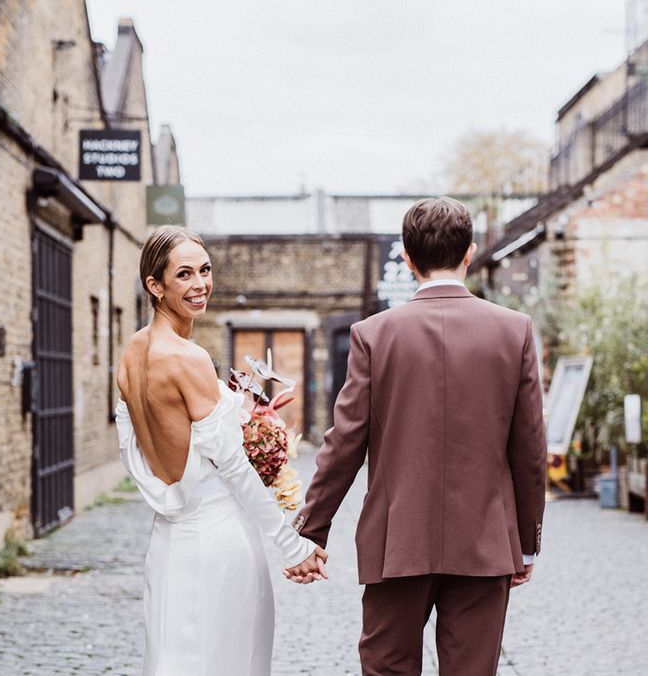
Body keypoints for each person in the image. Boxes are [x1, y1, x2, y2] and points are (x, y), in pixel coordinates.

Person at [287, 197, 547, 675]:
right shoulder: (514, 331)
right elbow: (529, 448)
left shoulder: (373, 335)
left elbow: (344, 443)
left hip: (396, 543)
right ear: (469, 252)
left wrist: (310, 531)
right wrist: (526, 541)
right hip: (485, 543)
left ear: (407, 259)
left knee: (387, 668)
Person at [115, 225, 327, 676]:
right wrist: (292, 546)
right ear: (155, 285)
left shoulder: (132, 352)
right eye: (184, 275)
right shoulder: (188, 359)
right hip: (218, 539)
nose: (200, 285)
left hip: (169, 541)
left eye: (205, 271)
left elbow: (133, 446)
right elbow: (233, 467)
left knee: (174, 660)